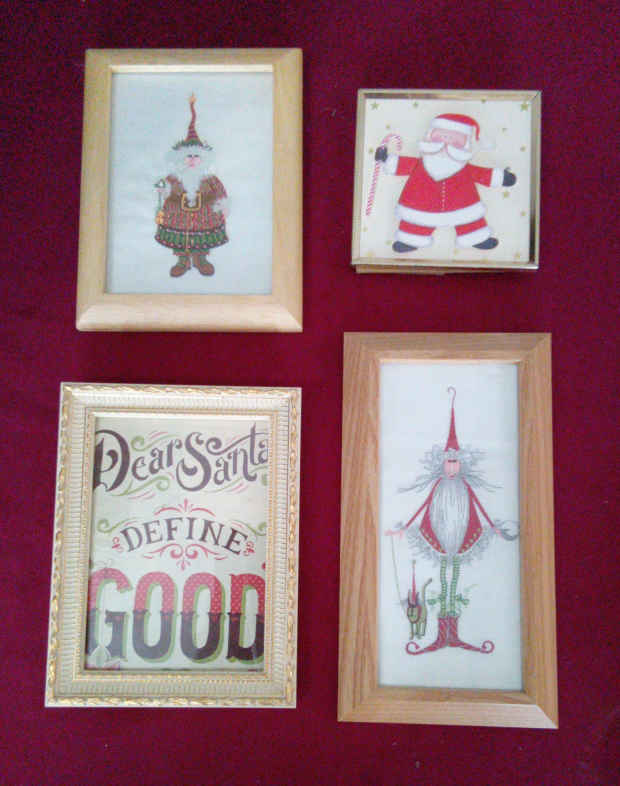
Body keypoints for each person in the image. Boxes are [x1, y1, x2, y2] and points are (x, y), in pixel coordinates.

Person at [387, 387, 518, 654]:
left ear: (461, 464)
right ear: (442, 463)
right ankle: (444, 629)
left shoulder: (464, 487)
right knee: (444, 572)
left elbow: (480, 507)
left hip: (460, 533)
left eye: (455, 463)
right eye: (448, 463)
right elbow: (422, 506)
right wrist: (404, 528)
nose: (451, 467)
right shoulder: (438, 487)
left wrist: (494, 528)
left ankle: (451, 625)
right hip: (440, 530)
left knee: (454, 569)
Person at [375, 114, 516, 252]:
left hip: (461, 205)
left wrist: (501, 177)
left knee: (470, 221)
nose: (446, 143)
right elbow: (400, 164)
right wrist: (385, 158)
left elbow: (482, 174)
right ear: (429, 138)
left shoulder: (464, 168)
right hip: (421, 206)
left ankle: (477, 238)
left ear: (465, 146)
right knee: (415, 223)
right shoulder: (419, 164)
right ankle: (410, 240)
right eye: (440, 138)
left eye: (454, 141)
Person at [155, 94, 229, 277]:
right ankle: (183, 261)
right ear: (181, 158)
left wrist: (223, 205)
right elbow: (165, 189)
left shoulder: (210, 179)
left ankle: (200, 259)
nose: (193, 160)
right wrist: (163, 191)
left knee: (202, 238)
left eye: (197, 156)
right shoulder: (174, 177)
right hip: (177, 215)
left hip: (205, 215)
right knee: (179, 239)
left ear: (203, 159)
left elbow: (221, 192)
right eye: (189, 156)